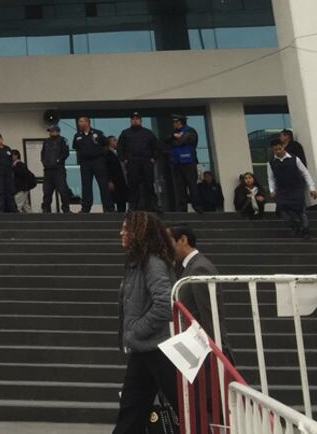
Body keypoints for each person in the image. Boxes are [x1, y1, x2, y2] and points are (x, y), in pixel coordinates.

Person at [113, 211, 177, 434]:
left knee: (182, 406)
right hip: (144, 349)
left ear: (139, 232)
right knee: (131, 409)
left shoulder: (152, 262)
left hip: (158, 349)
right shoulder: (137, 262)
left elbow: (164, 305)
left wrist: (134, 332)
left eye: (126, 229)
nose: (121, 232)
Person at [169, 226, 230, 350]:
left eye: (169, 242)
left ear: (183, 240)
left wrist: (212, 351)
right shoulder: (187, 267)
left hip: (204, 350)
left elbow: (208, 317)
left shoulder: (199, 269)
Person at [267, 138, 317, 240]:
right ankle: (294, 226)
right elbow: (271, 178)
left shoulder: (295, 159)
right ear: (273, 150)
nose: (278, 151)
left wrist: (312, 188)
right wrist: (272, 190)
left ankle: (306, 231)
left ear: (283, 147)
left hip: (296, 189)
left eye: (279, 149)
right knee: (281, 210)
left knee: (300, 211)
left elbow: (305, 173)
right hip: (281, 191)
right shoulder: (270, 163)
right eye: (275, 150)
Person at [118, 113, 160, 212]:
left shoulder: (148, 133)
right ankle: (132, 206)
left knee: (149, 184)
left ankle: (154, 205)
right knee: (133, 185)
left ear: (141, 120)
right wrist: (124, 159)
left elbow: (156, 147)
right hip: (132, 162)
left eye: (137, 119)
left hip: (146, 162)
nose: (135, 120)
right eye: (133, 119)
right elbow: (120, 148)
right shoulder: (125, 133)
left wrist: (154, 158)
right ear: (130, 121)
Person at [74, 117, 112, 213]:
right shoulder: (78, 135)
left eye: (81, 121)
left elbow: (106, 144)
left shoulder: (98, 133)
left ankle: (108, 208)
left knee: (103, 185)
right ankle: (86, 208)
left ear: (87, 122)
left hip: (98, 161)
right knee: (86, 185)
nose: (79, 123)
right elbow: (76, 148)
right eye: (79, 121)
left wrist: (102, 156)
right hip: (85, 163)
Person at [168, 114, 201, 212]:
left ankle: (197, 206)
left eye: (175, 122)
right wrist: (173, 136)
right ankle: (182, 208)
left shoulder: (190, 131)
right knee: (179, 187)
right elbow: (165, 140)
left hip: (188, 162)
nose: (174, 124)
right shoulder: (173, 133)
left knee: (192, 185)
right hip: (177, 163)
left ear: (179, 122)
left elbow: (182, 141)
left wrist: (174, 140)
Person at [40, 125, 72, 214]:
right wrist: (44, 162)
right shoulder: (46, 141)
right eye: (50, 131)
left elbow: (66, 153)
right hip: (48, 170)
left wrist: (58, 160)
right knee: (47, 191)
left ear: (57, 131)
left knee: (63, 190)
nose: (50, 132)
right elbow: (42, 154)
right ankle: (46, 209)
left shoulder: (63, 140)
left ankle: (66, 209)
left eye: (52, 131)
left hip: (59, 170)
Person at [104, 137, 130, 213]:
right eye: (114, 140)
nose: (116, 142)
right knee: (116, 198)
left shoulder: (119, 153)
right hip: (114, 180)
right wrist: (109, 180)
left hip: (122, 180)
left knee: (122, 199)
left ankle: (122, 212)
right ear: (109, 143)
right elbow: (107, 169)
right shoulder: (107, 154)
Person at [12, 150, 37, 214]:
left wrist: (13, 168)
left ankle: (18, 221)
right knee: (26, 206)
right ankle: (33, 219)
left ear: (16, 156)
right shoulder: (21, 164)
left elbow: (21, 175)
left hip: (21, 189)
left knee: (17, 206)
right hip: (24, 188)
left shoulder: (18, 165)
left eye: (13, 155)